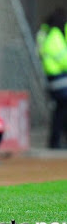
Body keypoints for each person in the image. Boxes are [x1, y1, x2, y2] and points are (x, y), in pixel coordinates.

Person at [36, 8, 67, 149]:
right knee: (61, 111)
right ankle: (55, 141)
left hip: (56, 79)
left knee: (60, 110)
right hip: (59, 78)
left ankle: (57, 140)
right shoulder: (55, 36)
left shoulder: (48, 34)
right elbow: (63, 59)